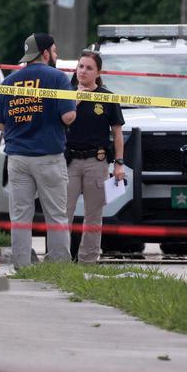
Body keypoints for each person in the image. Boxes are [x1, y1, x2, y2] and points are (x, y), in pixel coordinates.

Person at [0, 33, 76, 268]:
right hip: (49, 157)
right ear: (45, 53)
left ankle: (22, 264)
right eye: (55, 51)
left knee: (20, 216)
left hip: (17, 158)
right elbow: (68, 117)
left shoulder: (9, 81)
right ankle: (59, 265)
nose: (55, 55)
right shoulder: (58, 78)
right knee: (56, 215)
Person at [65, 50, 126, 264]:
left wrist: (119, 164)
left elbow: (117, 133)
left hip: (96, 161)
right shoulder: (67, 93)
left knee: (93, 216)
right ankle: (59, 260)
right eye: (80, 66)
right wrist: (74, 103)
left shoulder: (107, 97)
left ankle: (87, 261)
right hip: (69, 162)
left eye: (89, 67)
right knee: (63, 214)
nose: (83, 71)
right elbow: (58, 124)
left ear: (98, 72)